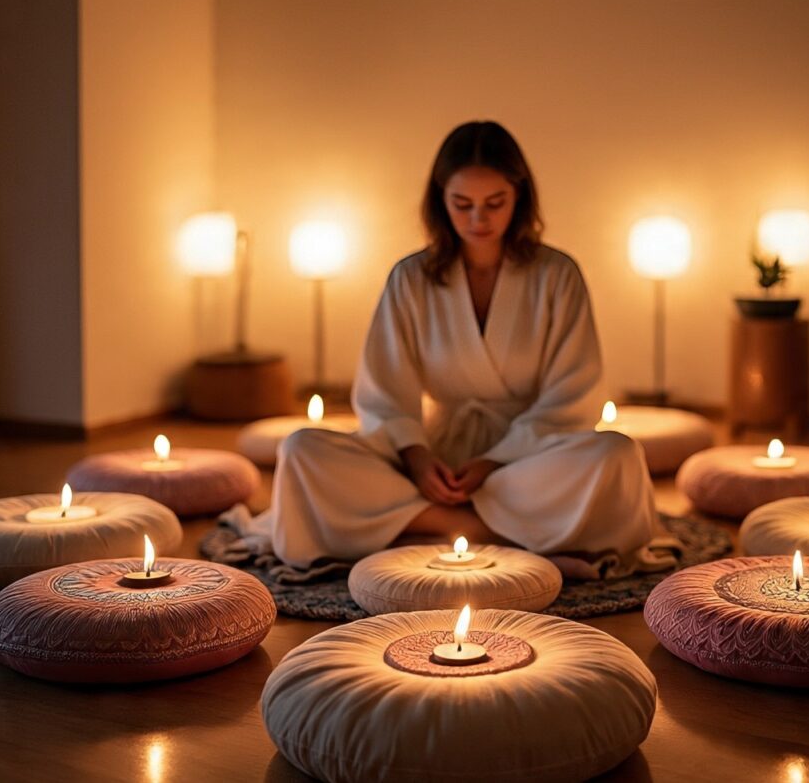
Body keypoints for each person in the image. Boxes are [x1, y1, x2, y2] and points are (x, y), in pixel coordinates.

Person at [251, 121, 671, 579]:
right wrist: (416, 458)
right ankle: (486, 529)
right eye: (462, 204)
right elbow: (384, 393)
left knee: (617, 456)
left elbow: (572, 396)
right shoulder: (410, 279)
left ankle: (417, 529)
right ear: (439, 200)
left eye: (494, 203)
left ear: (520, 196)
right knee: (302, 449)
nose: (478, 220)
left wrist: (495, 461)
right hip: (433, 458)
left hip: (531, 463)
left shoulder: (557, 276)